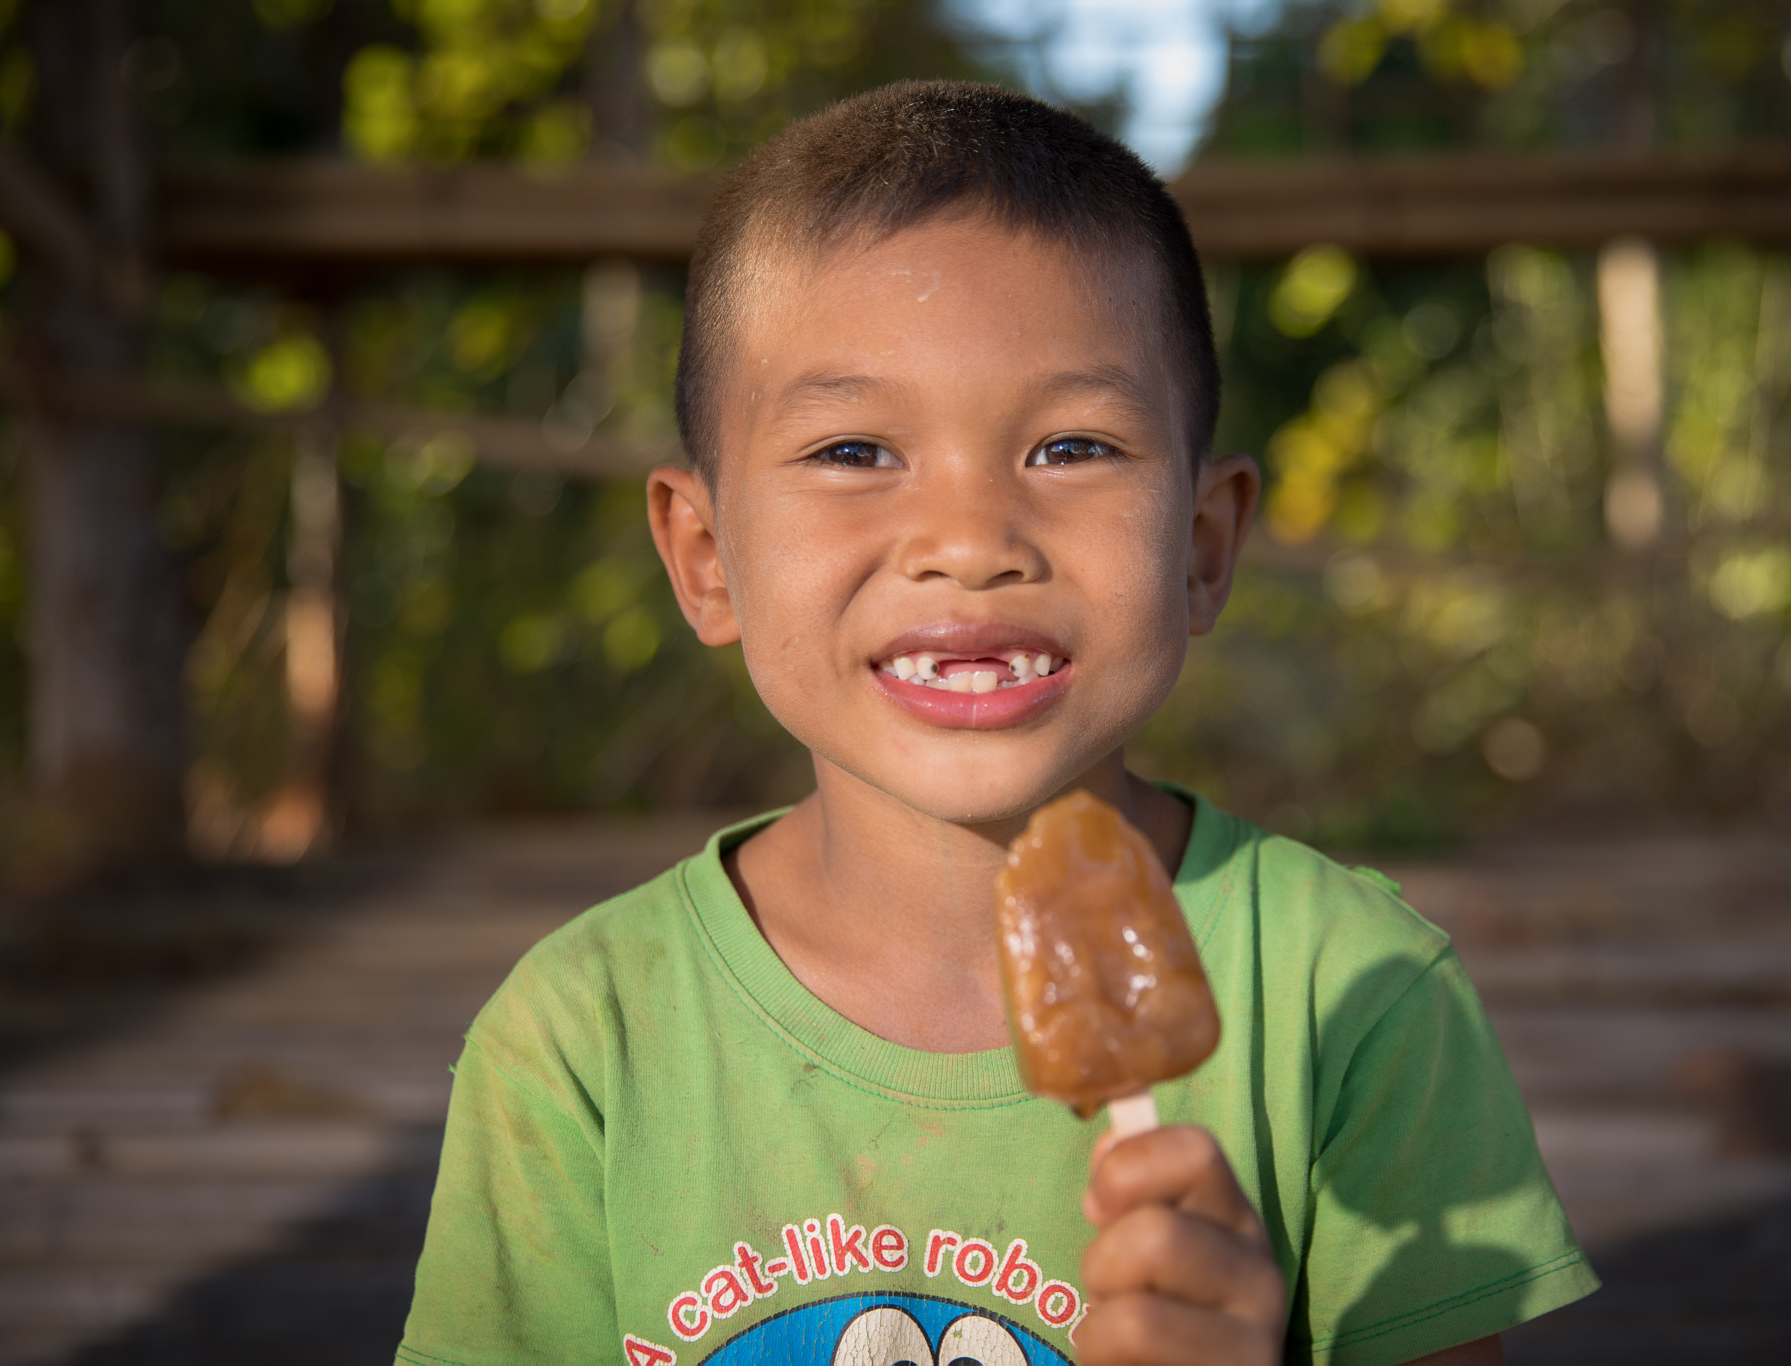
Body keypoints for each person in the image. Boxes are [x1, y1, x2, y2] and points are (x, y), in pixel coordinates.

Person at [396, 81, 1597, 1366]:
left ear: (1201, 547)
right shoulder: (584, 1041)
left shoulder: (1348, 999)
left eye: (1071, 447)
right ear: (704, 556)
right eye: (853, 450)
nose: (968, 545)